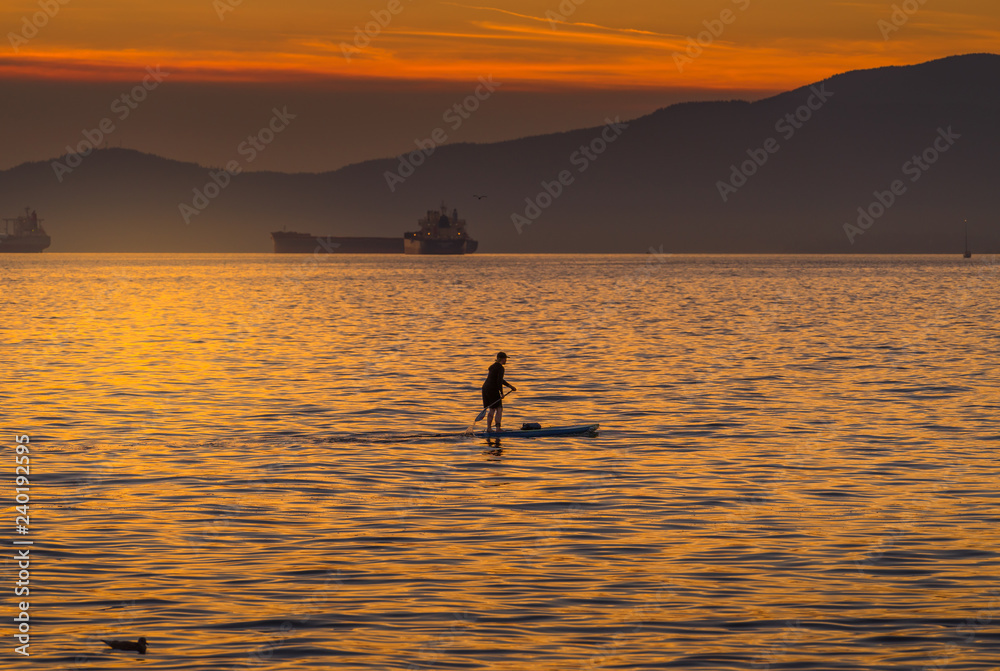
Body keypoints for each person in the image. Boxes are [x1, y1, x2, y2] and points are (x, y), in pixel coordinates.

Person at [482, 351, 516, 432]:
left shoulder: (492, 366)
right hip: (493, 389)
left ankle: (489, 428)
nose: (506, 361)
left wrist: (510, 386)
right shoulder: (500, 368)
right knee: (499, 409)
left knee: (492, 409)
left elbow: (499, 379)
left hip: (485, 388)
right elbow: (499, 381)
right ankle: (498, 428)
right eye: (505, 359)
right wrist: (501, 393)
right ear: (502, 359)